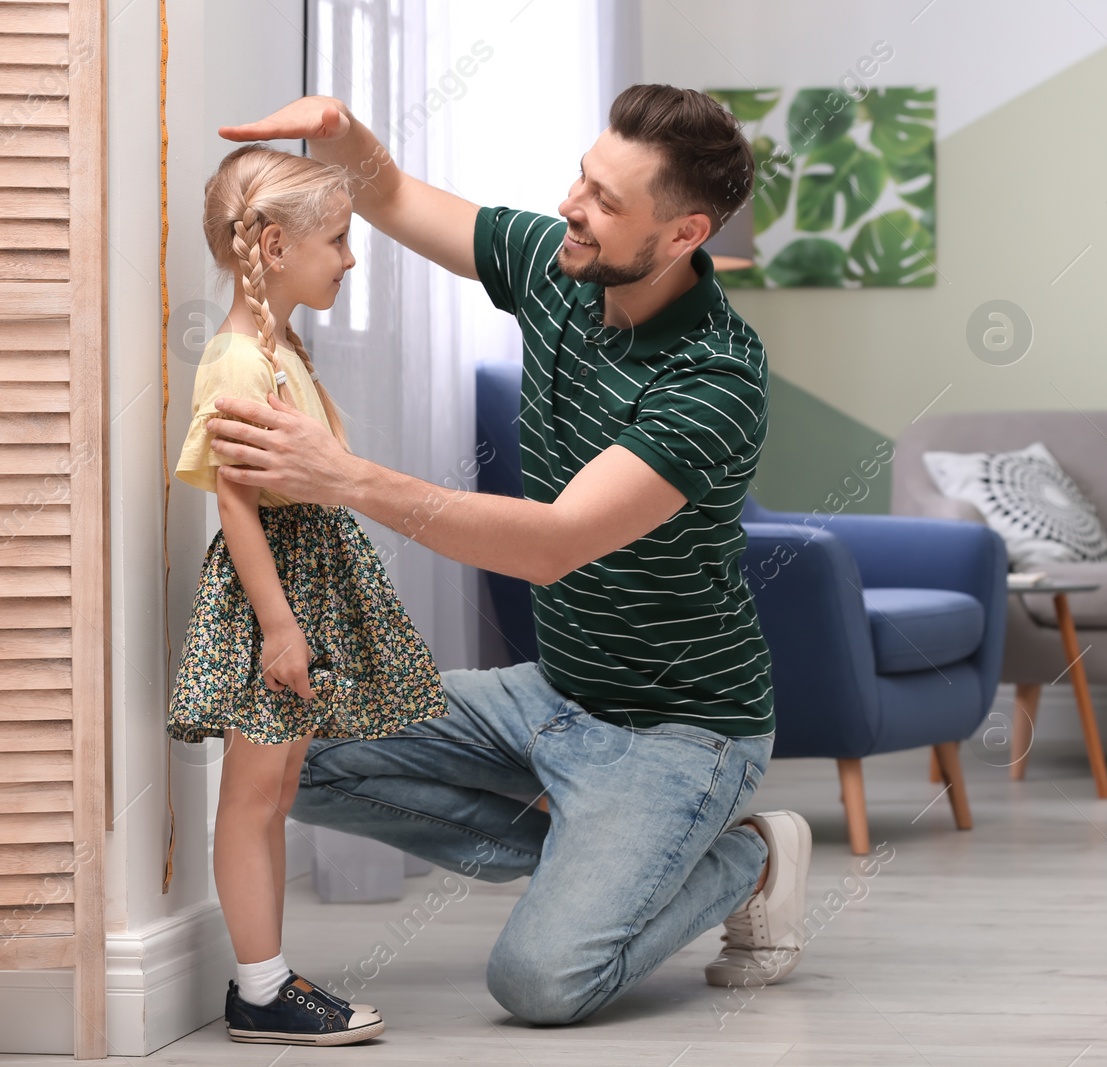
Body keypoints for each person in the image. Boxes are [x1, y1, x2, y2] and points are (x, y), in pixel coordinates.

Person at [205, 84, 813, 1027]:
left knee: (539, 984)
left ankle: (745, 858)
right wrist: (342, 135)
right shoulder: (559, 262)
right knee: (294, 751)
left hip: (680, 730)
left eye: (609, 202)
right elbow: (395, 194)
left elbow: (554, 545)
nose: (575, 204)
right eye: (584, 176)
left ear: (686, 233)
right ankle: (602, 861)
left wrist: (345, 476)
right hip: (551, 694)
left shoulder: (715, 378)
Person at [170, 144, 449, 1045]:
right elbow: (236, 502)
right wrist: (279, 626)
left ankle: (269, 975)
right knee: (254, 793)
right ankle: (258, 989)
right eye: (338, 239)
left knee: (279, 786)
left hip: (305, 575)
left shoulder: (280, 346)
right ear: (278, 245)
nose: (351, 257)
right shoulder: (238, 362)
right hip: (275, 594)